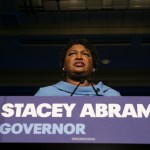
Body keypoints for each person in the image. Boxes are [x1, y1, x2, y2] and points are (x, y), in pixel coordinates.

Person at [35, 38, 121, 96]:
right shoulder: (45, 94)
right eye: (72, 53)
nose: (79, 57)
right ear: (63, 65)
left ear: (93, 66)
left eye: (85, 54)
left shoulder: (112, 95)